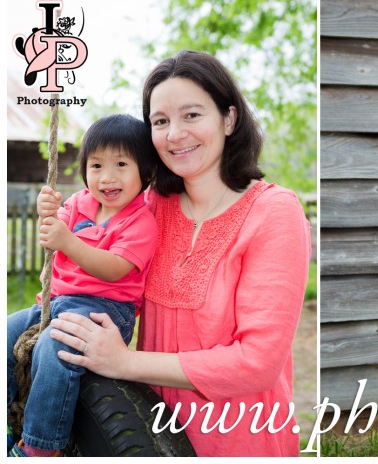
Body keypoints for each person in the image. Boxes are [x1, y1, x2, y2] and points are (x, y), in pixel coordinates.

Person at [46, 50, 311, 457]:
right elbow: (107, 274)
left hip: (237, 438)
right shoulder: (149, 206)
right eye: (160, 121)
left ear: (229, 118)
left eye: (191, 115)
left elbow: (258, 361)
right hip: (141, 432)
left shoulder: (274, 213)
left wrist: (122, 362)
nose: (174, 135)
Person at [7, 114, 160, 457]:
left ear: (146, 172)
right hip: (57, 301)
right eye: (96, 165)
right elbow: (51, 238)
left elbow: (115, 270)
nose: (107, 177)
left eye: (121, 164)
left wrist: (69, 242)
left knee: (53, 348)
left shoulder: (140, 221)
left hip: (104, 311)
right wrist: (45, 215)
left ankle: (41, 445)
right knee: (6, 335)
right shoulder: (79, 203)